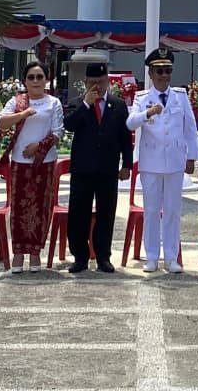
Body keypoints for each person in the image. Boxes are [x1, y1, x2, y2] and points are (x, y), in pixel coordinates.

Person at [127, 46, 197, 273]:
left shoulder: (180, 96)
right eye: (159, 71)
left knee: (173, 211)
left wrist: (191, 157)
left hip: (175, 160)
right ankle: (151, 256)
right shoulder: (142, 98)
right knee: (151, 211)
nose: (164, 75)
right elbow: (130, 123)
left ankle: (171, 256)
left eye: (168, 71)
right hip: (151, 161)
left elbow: (189, 128)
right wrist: (147, 113)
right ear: (150, 73)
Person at [62, 62, 133, 272]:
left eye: (101, 82)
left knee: (106, 214)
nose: (97, 87)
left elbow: (125, 137)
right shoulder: (77, 104)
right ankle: (80, 257)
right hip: (82, 169)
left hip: (107, 169)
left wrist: (127, 164)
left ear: (107, 81)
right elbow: (69, 125)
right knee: (79, 214)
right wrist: (86, 103)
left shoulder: (117, 105)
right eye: (92, 82)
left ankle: (103, 256)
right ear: (85, 83)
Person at [0, 59, 64, 272]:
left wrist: (38, 147)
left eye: (39, 77)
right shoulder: (17, 101)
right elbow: (0, 122)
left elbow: (58, 132)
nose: (35, 81)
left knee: (41, 208)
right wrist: (22, 114)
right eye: (31, 77)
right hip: (20, 162)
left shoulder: (53, 103)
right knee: (19, 208)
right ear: (25, 81)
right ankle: (18, 254)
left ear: (46, 80)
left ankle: (35, 253)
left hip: (45, 162)